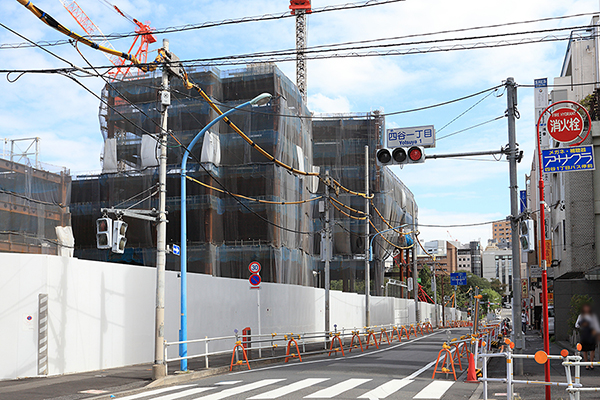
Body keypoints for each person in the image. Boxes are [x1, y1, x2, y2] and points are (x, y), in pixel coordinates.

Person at [575, 304, 600, 370]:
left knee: (592, 349)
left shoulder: (593, 316)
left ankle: (591, 363)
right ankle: (586, 364)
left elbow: (596, 325)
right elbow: (576, 325)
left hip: (592, 333)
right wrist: (582, 325)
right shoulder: (581, 316)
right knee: (584, 349)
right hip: (584, 333)